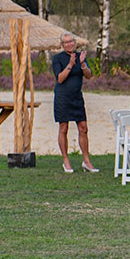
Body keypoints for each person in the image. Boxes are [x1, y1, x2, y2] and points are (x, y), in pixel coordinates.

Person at [52, 32, 98, 173]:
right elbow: (60, 78)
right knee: (64, 128)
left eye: (71, 41)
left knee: (83, 127)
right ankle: (66, 160)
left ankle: (86, 161)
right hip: (62, 97)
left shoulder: (80, 56)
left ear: (75, 42)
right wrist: (71, 64)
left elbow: (89, 76)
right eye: (66, 42)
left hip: (77, 97)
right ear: (62, 45)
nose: (69, 44)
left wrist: (82, 63)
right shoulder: (57, 58)